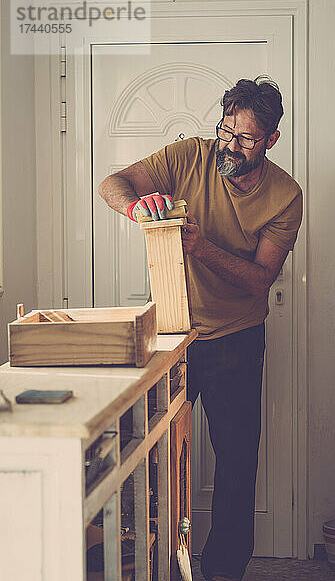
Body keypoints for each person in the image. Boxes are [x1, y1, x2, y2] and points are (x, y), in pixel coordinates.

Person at [98, 75, 303, 581]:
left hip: (237, 337)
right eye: (226, 131)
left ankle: (224, 571)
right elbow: (112, 184)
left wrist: (201, 248)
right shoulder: (190, 154)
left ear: (271, 140)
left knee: (236, 462)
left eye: (246, 139)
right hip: (170, 336)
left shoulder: (285, 195)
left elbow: (260, 280)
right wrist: (136, 207)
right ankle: (148, 564)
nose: (230, 146)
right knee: (146, 456)